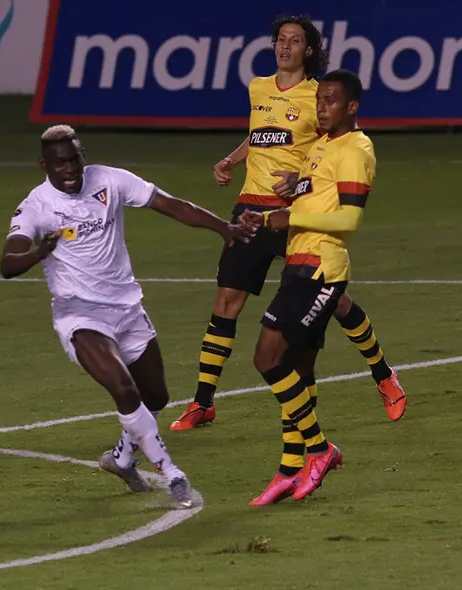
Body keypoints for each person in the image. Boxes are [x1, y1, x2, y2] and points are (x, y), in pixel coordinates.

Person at [0, 125, 259, 508]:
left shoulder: (109, 180)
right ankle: (172, 473)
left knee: (156, 395)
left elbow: (171, 204)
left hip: (127, 308)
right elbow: (7, 263)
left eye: (75, 159)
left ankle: (121, 459)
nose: (70, 169)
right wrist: (39, 253)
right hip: (80, 315)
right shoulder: (36, 207)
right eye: (60, 164)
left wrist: (223, 228)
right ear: (45, 166)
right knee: (124, 389)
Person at [170, 15, 406, 433]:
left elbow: (338, 144)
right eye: (281, 40)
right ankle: (203, 402)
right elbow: (258, 133)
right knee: (226, 302)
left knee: (337, 302)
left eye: (295, 41)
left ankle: (383, 373)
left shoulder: (321, 96)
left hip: (297, 214)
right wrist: (231, 158)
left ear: (309, 50)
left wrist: (304, 180)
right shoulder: (257, 88)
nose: (285, 47)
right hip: (250, 210)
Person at [245, 69, 375, 504]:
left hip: (321, 267)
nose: (321, 107)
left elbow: (350, 219)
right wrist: (264, 219)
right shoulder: (321, 146)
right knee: (298, 369)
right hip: (299, 261)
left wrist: (292, 218)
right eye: (319, 99)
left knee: (267, 357)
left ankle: (320, 449)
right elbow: (306, 203)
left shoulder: (355, 149)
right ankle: (288, 468)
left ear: (351, 107)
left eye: (331, 101)